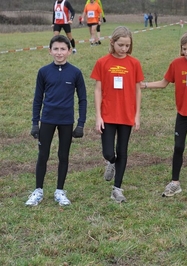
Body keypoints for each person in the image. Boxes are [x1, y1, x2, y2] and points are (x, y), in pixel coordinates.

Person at [142, 30, 187, 197]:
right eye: (184, 49)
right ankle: (175, 182)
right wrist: (144, 85)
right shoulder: (176, 64)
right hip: (183, 112)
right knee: (178, 147)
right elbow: (163, 83)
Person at [26, 35, 87, 206]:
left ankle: (60, 191)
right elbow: (38, 99)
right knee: (43, 155)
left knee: (63, 155)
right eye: (56, 49)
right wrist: (34, 123)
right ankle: (38, 191)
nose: (59, 53)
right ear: (50, 51)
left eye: (62, 49)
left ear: (69, 51)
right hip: (47, 120)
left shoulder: (75, 73)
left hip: (66, 121)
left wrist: (81, 123)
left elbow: (82, 99)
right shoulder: (43, 72)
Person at [91, 26, 144, 203]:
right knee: (108, 152)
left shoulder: (134, 63)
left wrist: (137, 115)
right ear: (112, 43)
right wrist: (98, 116)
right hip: (107, 114)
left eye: (127, 45)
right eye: (120, 45)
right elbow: (98, 90)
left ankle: (117, 189)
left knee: (123, 149)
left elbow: (138, 91)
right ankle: (111, 162)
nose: (123, 49)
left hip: (126, 114)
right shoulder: (102, 62)